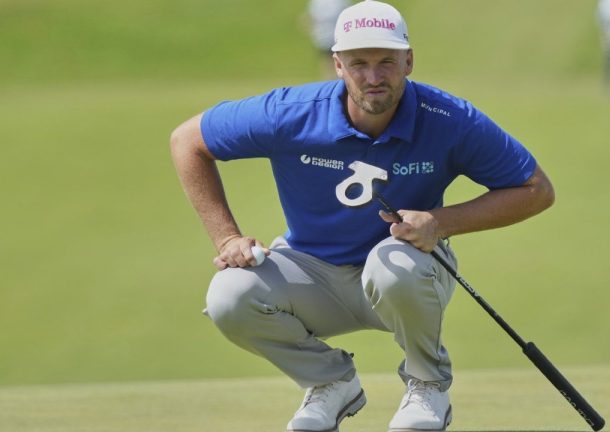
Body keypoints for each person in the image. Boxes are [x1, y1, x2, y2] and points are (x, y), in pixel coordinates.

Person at [170, 1, 555, 431]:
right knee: (229, 295)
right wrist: (227, 239)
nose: (373, 77)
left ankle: (428, 385)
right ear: (337, 64)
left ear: (409, 61)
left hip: (407, 271)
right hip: (311, 274)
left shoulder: (449, 119)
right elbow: (188, 141)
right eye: (359, 63)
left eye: (386, 61)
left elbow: (536, 190)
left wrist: (440, 222)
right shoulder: (289, 112)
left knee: (392, 264)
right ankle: (330, 383)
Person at [303, 0, 352, 79]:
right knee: (328, 62)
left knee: (336, 61)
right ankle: (331, 80)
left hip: (336, 37)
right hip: (323, 38)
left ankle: (337, 79)